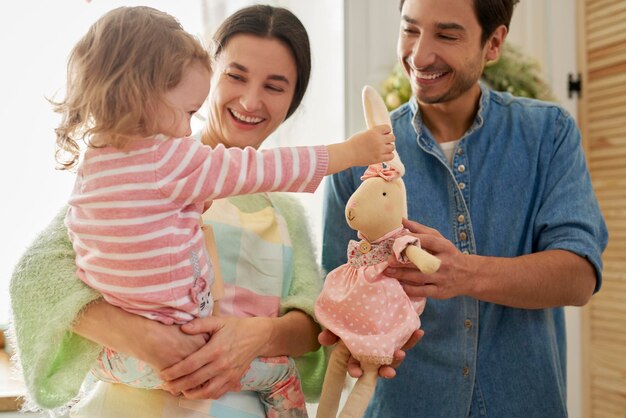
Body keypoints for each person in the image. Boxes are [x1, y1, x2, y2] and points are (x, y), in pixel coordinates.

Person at [9, 5, 394, 418]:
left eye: (275, 86)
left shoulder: (283, 212)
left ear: (293, 100)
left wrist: (256, 336)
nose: (251, 99)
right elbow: (36, 279)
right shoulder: (130, 177)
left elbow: (311, 326)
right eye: (236, 75)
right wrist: (146, 339)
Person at [321, 0, 609, 417]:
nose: (419, 55)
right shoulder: (357, 159)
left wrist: (464, 274)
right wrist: (350, 335)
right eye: (410, 29)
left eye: (447, 35)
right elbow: (337, 283)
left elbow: (579, 277)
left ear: (493, 43)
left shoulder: (548, 134)